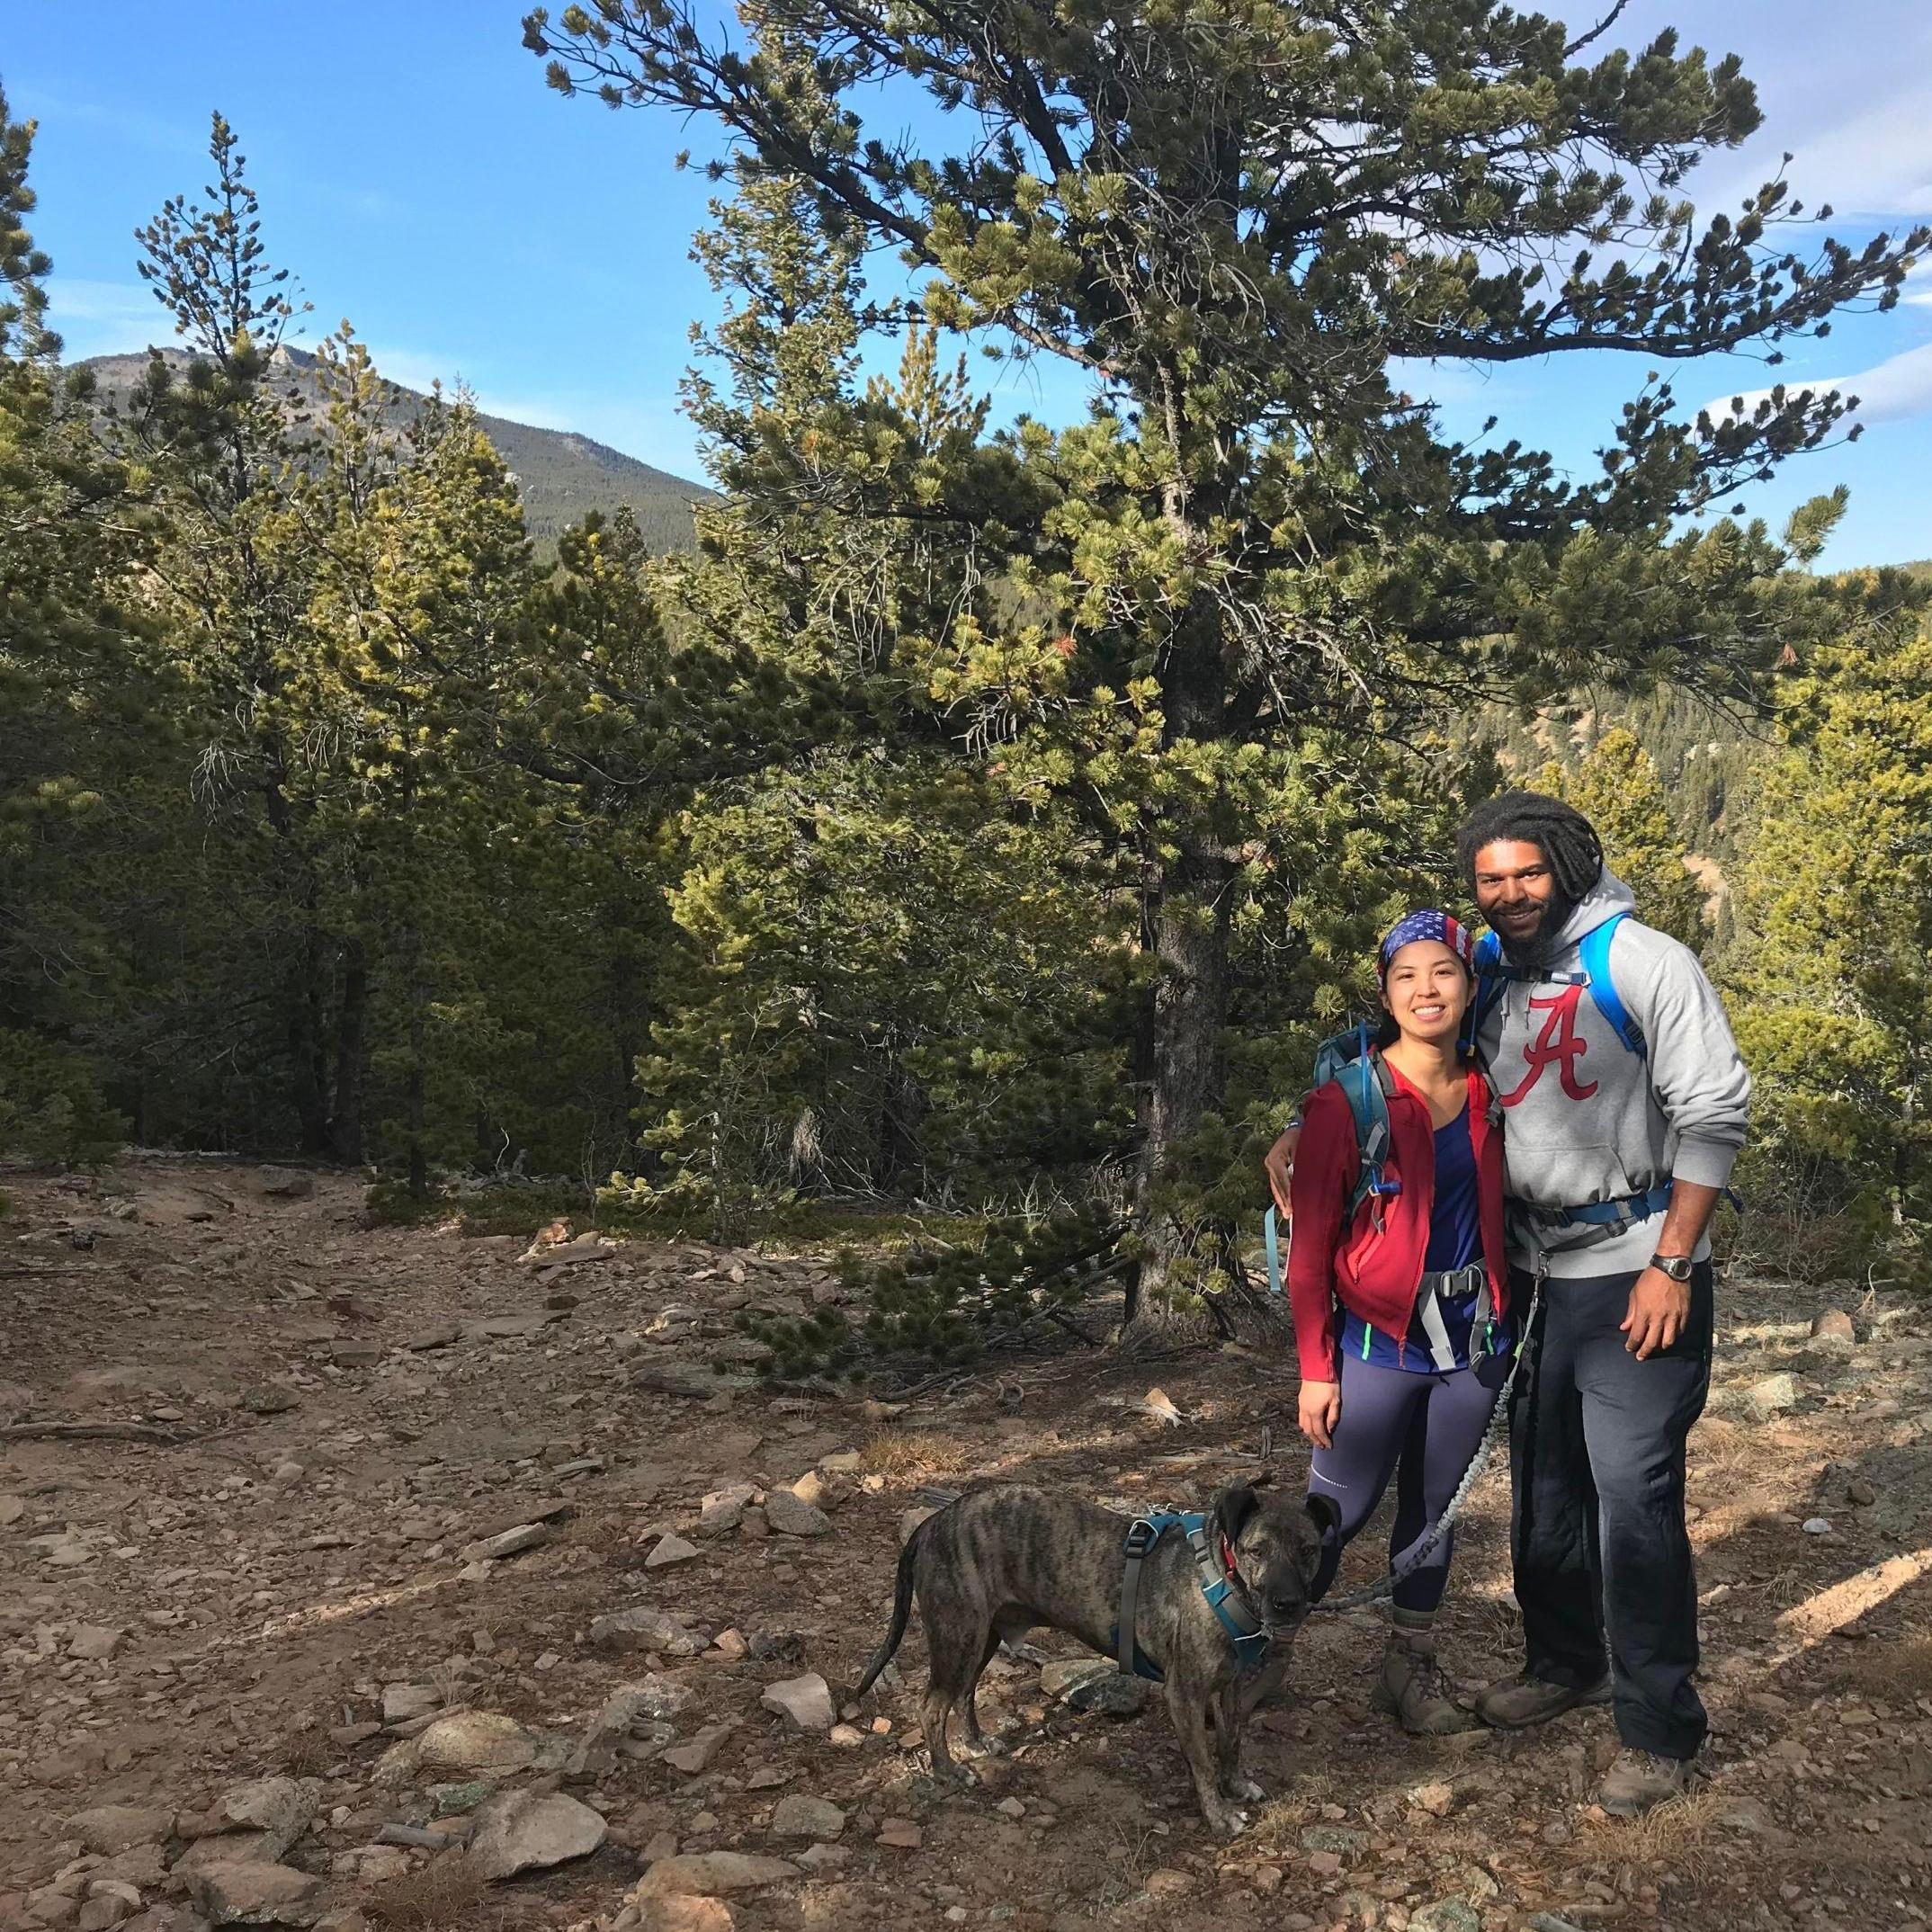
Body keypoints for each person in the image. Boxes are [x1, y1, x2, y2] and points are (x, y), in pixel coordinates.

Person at [1264, 791, 1750, 1816]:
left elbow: (1714, 1113)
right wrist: (1311, 1125)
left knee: (1636, 1501)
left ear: (1570, 862)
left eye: (1528, 872)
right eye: (1492, 879)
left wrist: (1673, 1260)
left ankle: (1659, 1731)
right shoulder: (1491, 963)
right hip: (1525, 1278)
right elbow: (1409, 1016)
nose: (1511, 893)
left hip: (1636, 1269)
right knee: (1547, 1491)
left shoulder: (1646, 962)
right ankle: (1564, 1661)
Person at [1285, 909, 1514, 1734]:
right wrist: (1316, 1369)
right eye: (1407, 976)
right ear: (1384, 992)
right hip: (1375, 1348)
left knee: (1433, 1514)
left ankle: (1406, 1669)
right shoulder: (1346, 1102)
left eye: (1444, 973)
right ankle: (1251, 1652)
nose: (1427, 990)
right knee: (1332, 1518)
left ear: (1469, 985)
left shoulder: (1494, 1087)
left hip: (1473, 1345)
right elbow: (1308, 1257)